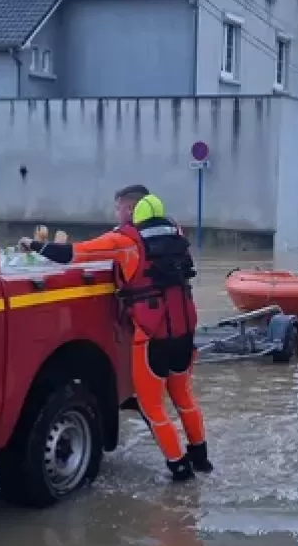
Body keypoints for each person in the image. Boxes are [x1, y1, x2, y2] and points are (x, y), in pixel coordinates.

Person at [19, 185, 211, 482]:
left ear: (131, 210)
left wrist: (33, 245)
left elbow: (72, 254)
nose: (116, 213)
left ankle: (180, 469)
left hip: (151, 337)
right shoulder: (177, 235)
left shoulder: (124, 241)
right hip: (184, 331)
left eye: (119, 208)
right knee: (184, 397)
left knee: (152, 407)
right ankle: (201, 459)